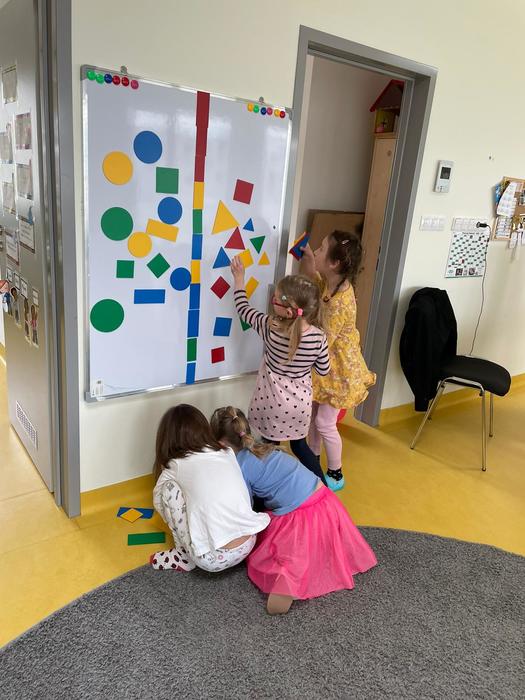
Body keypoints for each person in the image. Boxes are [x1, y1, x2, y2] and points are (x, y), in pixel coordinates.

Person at [210, 406, 377, 615]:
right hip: (325, 500)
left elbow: (245, 506)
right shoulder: (265, 447)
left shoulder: (240, 466)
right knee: (313, 543)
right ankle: (311, 560)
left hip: (300, 515)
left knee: (275, 548)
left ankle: (287, 578)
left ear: (220, 444)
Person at [231, 255, 329, 483]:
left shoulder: (270, 327)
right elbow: (324, 370)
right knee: (300, 447)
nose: (271, 300)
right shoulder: (319, 337)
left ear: (288, 310)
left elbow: (243, 309)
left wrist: (239, 279)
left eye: (275, 298)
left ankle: (262, 493)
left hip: (271, 405)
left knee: (268, 450)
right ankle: (323, 488)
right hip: (299, 407)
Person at [150, 404, 269, 572]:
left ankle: (183, 555)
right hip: (249, 541)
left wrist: (171, 519)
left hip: (213, 560)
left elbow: (158, 499)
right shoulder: (226, 451)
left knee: (168, 489)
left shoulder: (177, 464)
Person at [301, 230, 376, 491]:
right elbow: (316, 282)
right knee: (313, 417)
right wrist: (310, 260)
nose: (317, 251)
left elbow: (324, 341)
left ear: (334, 263)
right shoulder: (332, 283)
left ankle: (335, 472)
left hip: (339, 369)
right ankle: (312, 462)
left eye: (321, 249)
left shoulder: (339, 303)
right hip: (327, 366)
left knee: (324, 422)